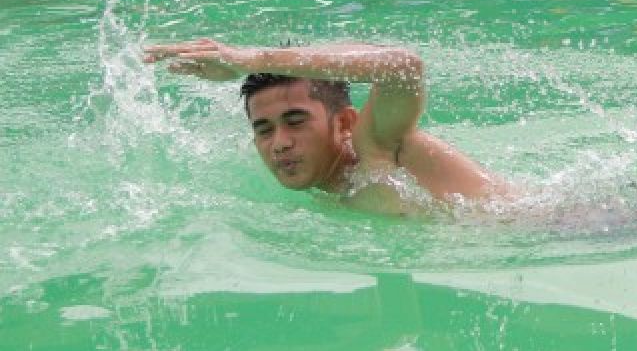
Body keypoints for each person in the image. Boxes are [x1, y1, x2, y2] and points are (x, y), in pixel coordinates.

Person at [142, 39, 508, 214]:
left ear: (346, 122)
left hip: (554, 231)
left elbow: (403, 66)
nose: (280, 144)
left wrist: (250, 59)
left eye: (295, 121)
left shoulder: (376, 148)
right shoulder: (335, 189)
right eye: (264, 129)